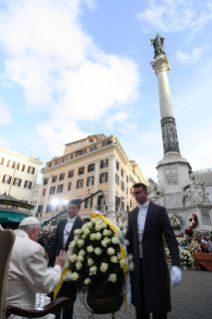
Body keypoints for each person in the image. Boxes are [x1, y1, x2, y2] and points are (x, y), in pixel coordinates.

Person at [126, 183, 181, 319]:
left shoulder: (159, 210)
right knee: (140, 306)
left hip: (156, 266)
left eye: (138, 193)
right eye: (134, 193)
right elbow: (129, 241)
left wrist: (176, 265)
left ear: (146, 192)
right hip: (138, 267)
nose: (136, 196)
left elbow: (170, 238)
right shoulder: (132, 214)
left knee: (158, 305)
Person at [7, 217, 66, 319]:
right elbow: (45, 285)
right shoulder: (33, 248)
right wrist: (58, 266)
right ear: (33, 231)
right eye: (37, 235)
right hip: (18, 313)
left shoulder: (5, 240)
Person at [48, 199, 84, 319]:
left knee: (68, 295)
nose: (71, 210)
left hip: (72, 265)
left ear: (78, 209)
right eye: (69, 207)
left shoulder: (82, 224)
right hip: (58, 261)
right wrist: (51, 261)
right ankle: (54, 316)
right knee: (55, 294)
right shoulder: (61, 222)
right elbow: (56, 242)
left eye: (73, 208)